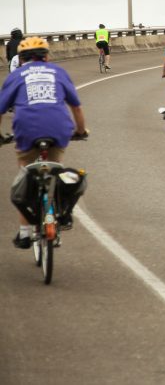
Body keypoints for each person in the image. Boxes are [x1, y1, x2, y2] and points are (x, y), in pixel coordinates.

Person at [0, 37, 88, 247]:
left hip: (26, 131)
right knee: (56, 170)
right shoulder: (57, 71)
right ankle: (62, 213)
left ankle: (24, 232)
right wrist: (81, 131)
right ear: (47, 56)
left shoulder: (16, 76)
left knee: (26, 174)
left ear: (21, 59)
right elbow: (76, 106)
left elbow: (1, 109)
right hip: (58, 129)